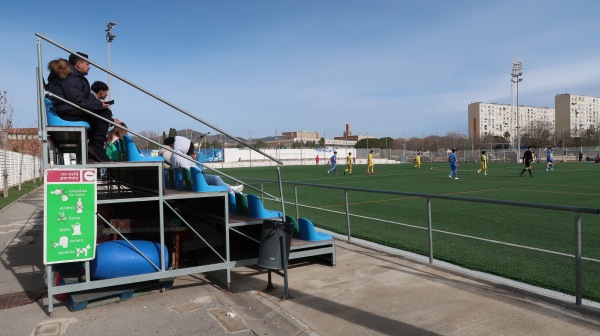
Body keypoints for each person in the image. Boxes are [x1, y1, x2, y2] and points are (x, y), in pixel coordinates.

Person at [45, 53, 118, 162]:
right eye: (87, 64)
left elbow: (80, 99)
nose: (89, 67)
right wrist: (99, 105)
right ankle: (96, 148)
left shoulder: (71, 76)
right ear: (79, 65)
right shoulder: (70, 77)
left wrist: (98, 104)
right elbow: (77, 100)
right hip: (65, 111)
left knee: (101, 113)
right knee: (104, 113)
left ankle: (93, 150)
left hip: (65, 108)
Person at [163, 136, 243, 193]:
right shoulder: (180, 156)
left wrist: (193, 160)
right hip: (194, 179)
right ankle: (231, 189)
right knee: (216, 178)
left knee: (215, 179)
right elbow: (188, 169)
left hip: (186, 180)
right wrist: (194, 162)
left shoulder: (175, 155)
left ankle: (232, 189)